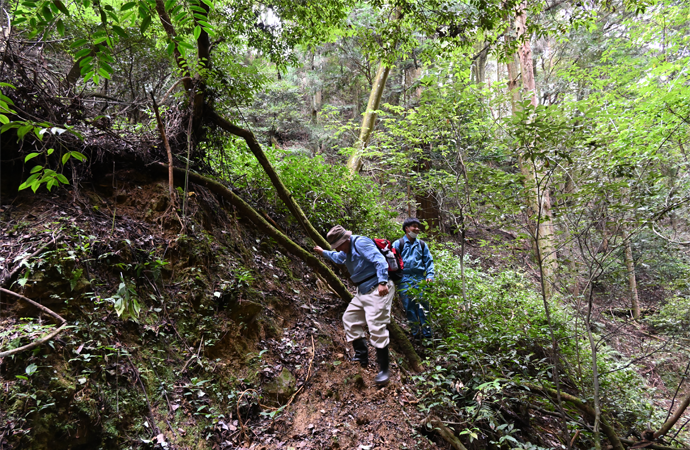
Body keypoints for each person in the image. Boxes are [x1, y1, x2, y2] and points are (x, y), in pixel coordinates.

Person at [314, 225, 396, 386]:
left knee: (376, 326)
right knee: (350, 318)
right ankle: (361, 356)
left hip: (378, 289)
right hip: (363, 290)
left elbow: (379, 260)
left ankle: (384, 371)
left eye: (338, 246)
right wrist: (323, 252)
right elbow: (338, 258)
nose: (338, 250)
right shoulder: (345, 251)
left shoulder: (361, 243)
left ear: (346, 240)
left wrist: (382, 282)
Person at [393, 218, 435, 339]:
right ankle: (416, 334)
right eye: (414, 226)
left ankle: (428, 336)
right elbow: (392, 261)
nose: (417, 229)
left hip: (420, 279)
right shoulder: (398, 243)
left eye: (418, 226)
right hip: (404, 279)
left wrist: (430, 275)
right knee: (409, 307)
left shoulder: (422, 244)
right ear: (407, 228)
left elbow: (429, 261)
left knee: (423, 307)